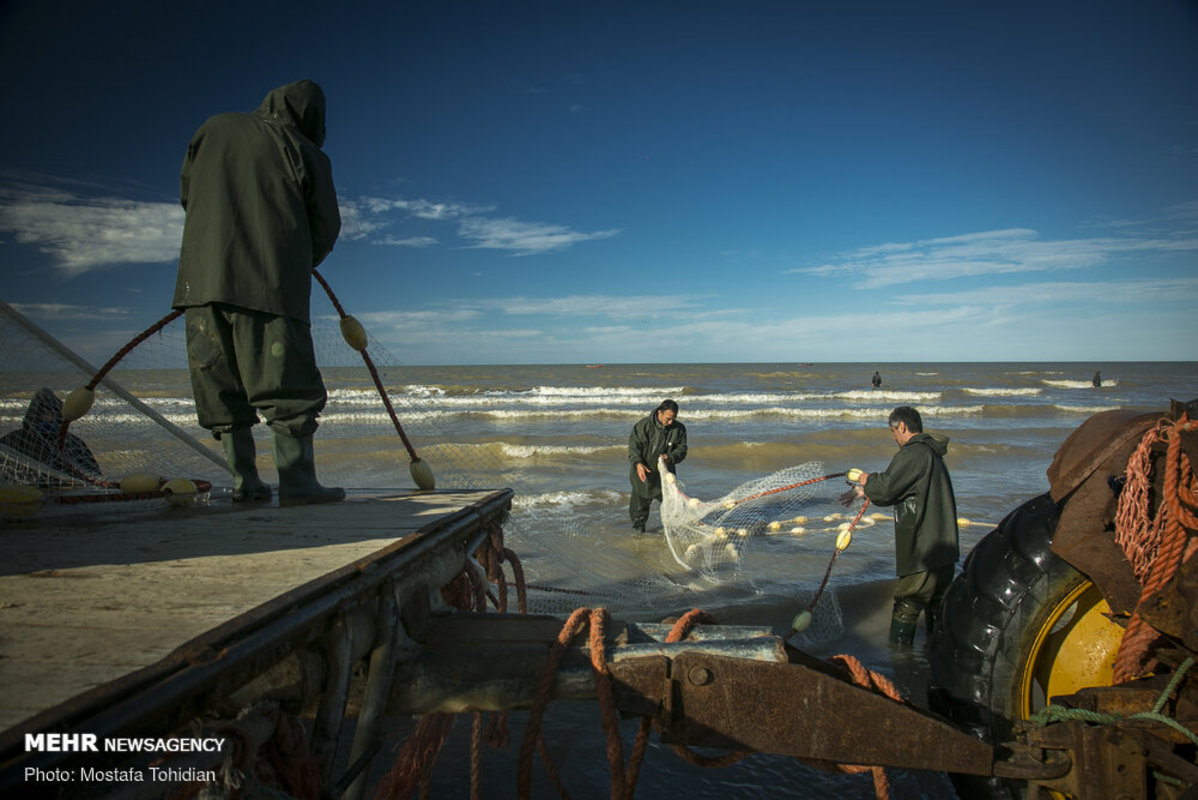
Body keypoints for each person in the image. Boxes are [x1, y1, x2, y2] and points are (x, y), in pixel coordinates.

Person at [172, 80, 344, 506]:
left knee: (220, 385)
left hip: (199, 285)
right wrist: (297, 261)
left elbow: (187, 195)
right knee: (288, 387)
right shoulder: (304, 150)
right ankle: (298, 484)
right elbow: (327, 227)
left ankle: (244, 483)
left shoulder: (213, 129)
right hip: (269, 286)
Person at [842, 406, 959, 646]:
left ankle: (899, 659)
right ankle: (935, 655)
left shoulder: (913, 453)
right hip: (944, 550)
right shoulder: (932, 453)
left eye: (894, 431)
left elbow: (886, 488)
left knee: (908, 602)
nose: (894, 438)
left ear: (902, 427)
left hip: (924, 549)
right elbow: (906, 490)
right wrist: (864, 491)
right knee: (936, 604)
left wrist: (868, 479)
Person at [0, 388, 101, 484]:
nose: (48, 418)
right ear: (33, 415)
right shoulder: (14, 439)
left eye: (53, 413)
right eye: (42, 413)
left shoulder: (73, 442)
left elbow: (93, 472)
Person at [627, 399, 688, 532]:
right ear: (659, 413)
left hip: (665, 478)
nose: (671, 422)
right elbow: (633, 448)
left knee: (674, 510)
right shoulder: (643, 426)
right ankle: (638, 540)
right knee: (638, 514)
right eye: (668, 418)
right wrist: (638, 464)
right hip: (643, 475)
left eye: (674, 419)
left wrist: (670, 458)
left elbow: (682, 450)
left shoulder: (679, 429)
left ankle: (672, 536)